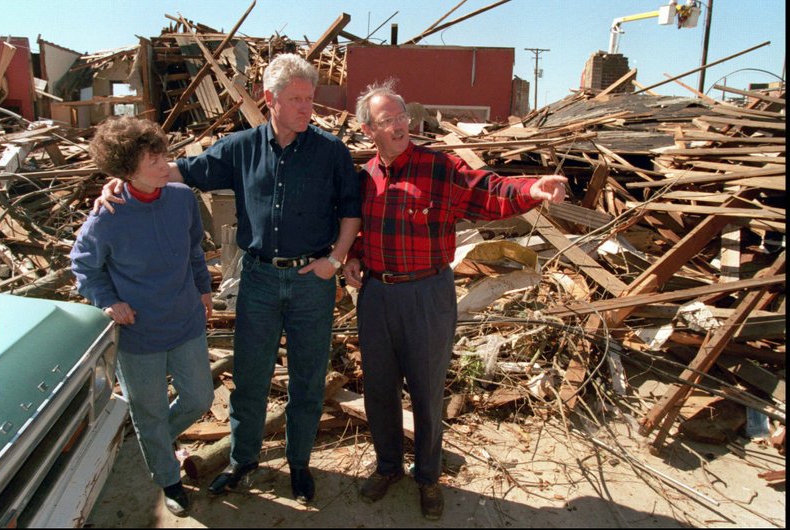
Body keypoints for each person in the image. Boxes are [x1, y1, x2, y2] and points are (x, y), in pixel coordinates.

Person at [96, 53, 361, 504]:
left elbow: (351, 212)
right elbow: (180, 170)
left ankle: (299, 464)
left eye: (309, 99)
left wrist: (333, 262)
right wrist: (127, 179)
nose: (306, 108)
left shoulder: (330, 152)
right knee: (251, 377)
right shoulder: (241, 147)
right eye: (295, 99)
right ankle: (242, 459)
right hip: (257, 279)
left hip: (311, 281)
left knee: (308, 378)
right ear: (269, 99)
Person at [343, 81, 568, 521]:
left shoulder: (439, 167)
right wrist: (354, 256)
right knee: (379, 390)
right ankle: (387, 467)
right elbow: (360, 229)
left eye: (402, 115)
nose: (400, 125)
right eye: (387, 120)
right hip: (376, 295)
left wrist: (531, 189)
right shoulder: (364, 177)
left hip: (427, 294)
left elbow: (488, 189)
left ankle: (427, 477)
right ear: (369, 130)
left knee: (426, 391)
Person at [71, 116, 214, 517]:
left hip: (185, 320)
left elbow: (193, 251)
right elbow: (84, 267)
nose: (163, 162)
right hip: (139, 333)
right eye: (152, 158)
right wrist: (108, 300)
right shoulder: (107, 216)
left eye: (162, 153)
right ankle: (169, 480)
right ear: (126, 167)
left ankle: (156, 438)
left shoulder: (182, 198)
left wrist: (203, 289)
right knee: (148, 409)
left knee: (199, 397)